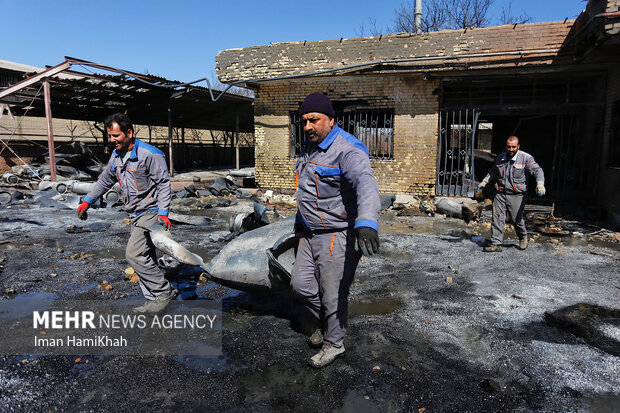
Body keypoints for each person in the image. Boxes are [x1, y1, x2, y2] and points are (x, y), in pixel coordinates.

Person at [291, 93, 381, 368]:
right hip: (308, 232)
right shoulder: (309, 148)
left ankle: (334, 343)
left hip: (337, 233)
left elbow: (366, 184)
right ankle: (326, 322)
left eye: (314, 120)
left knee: (333, 293)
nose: (308, 126)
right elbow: (307, 191)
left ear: (331, 120)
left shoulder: (348, 150)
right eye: (304, 121)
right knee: (301, 286)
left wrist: (366, 221)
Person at [76, 113, 178, 312]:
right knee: (146, 255)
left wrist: (164, 212)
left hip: (151, 211)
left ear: (129, 133)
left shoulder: (150, 155)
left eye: (116, 136)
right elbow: (106, 180)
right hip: (134, 213)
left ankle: (164, 291)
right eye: (110, 136)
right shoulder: (117, 156)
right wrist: (87, 201)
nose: (112, 140)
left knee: (134, 254)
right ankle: (153, 300)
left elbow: (164, 184)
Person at [478, 136, 545, 252]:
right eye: (509, 147)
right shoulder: (501, 159)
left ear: (518, 146)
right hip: (500, 193)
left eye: (514, 146)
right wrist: (484, 182)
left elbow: (537, 170)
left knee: (516, 219)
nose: (511, 149)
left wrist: (540, 184)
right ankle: (496, 243)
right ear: (506, 146)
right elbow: (493, 171)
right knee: (497, 217)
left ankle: (523, 236)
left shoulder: (525, 158)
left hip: (517, 194)